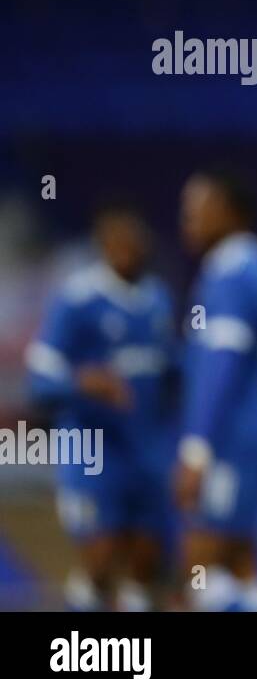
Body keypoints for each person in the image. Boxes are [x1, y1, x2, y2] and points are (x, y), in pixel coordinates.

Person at [26, 201, 177, 610]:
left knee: (146, 560)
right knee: (101, 557)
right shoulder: (77, 300)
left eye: (135, 243)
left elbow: (169, 373)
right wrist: (82, 382)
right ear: (103, 245)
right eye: (118, 243)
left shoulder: (157, 299)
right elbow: (38, 379)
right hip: (91, 449)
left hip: (143, 450)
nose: (128, 251)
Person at [176, 168, 257, 611]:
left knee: (199, 561)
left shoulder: (229, 272)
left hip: (229, 434)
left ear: (232, 213)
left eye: (198, 208)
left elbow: (221, 366)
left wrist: (197, 449)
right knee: (242, 559)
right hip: (256, 425)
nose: (186, 218)